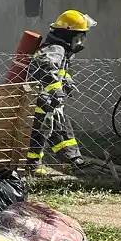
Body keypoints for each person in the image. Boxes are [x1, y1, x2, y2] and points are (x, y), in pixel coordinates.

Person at [27, 9, 96, 173]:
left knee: (61, 128)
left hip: (50, 100)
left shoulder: (63, 51)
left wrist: (67, 82)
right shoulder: (55, 49)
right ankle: (32, 165)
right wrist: (55, 89)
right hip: (40, 99)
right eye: (78, 37)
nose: (80, 42)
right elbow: (46, 66)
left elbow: (60, 71)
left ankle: (72, 160)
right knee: (39, 131)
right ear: (67, 36)